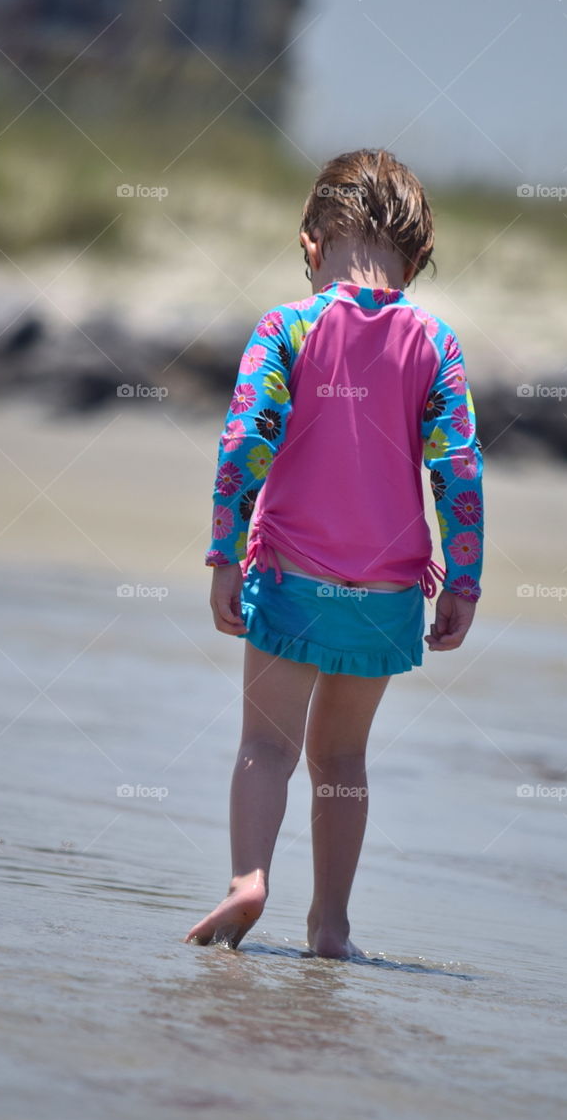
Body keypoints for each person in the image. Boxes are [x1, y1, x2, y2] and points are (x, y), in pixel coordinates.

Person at [184, 148, 484, 959]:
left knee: (266, 747)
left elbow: (246, 437)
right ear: (416, 259)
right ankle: (331, 927)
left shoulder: (289, 325)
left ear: (311, 241)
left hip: (290, 574)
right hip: (386, 592)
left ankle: (248, 880)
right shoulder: (435, 343)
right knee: (342, 758)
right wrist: (463, 581)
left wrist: (223, 553)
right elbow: (455, 467)